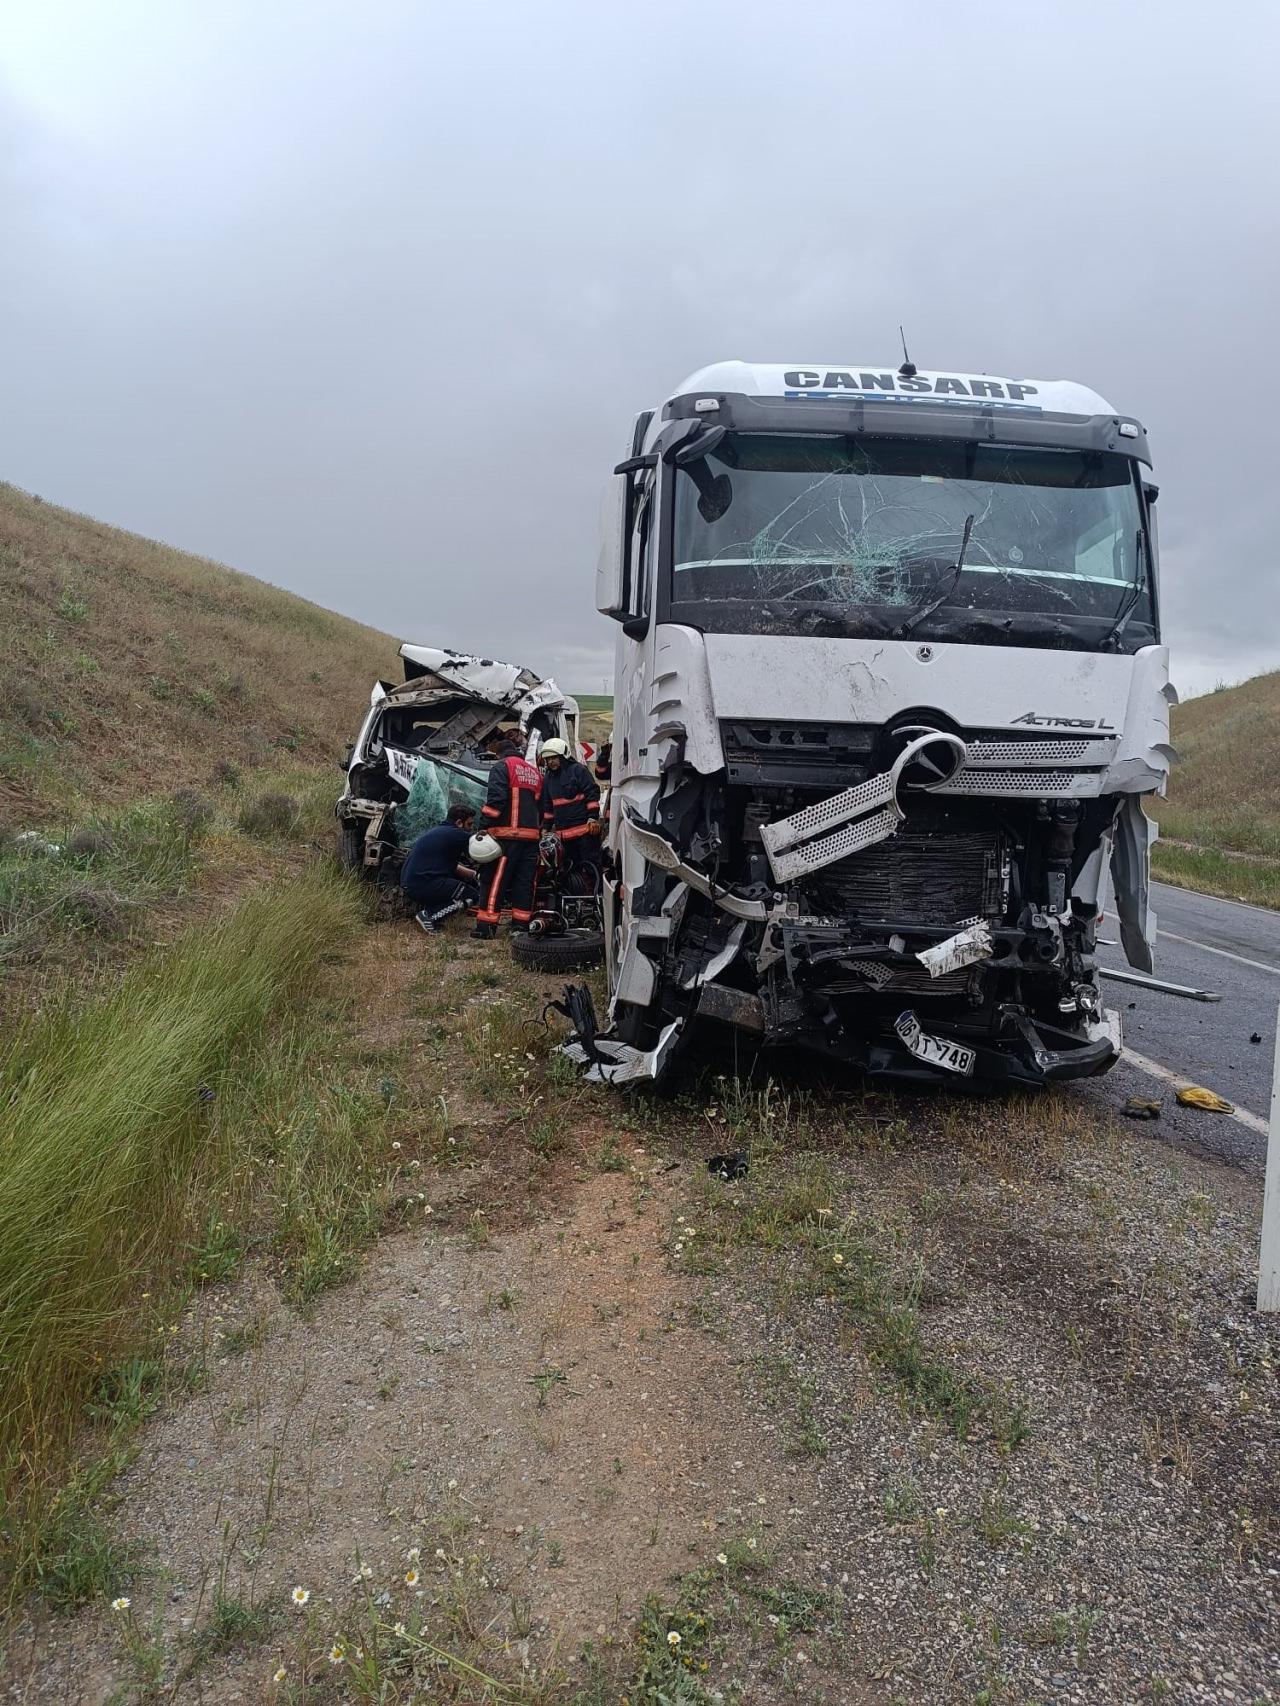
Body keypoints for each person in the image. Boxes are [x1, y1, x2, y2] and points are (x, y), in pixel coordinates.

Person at [473, 738, 543, 937]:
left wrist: (483, 826)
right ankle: (520, 927)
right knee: (525, 882)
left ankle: (486, 927)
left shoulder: (501, 767)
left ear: (499, 754)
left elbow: (496, 800)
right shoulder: (534, 773)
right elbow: (541, 807)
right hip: (531, 838)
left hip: (506, 836)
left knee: (495, 880)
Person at [399, 804, 479, 934]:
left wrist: (474, 874)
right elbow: (481, 844)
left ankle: (432, 910)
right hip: (423, 883)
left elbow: (450, 866)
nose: (470, 829)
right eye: (469, 825)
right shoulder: (457, 834)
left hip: (412, 883)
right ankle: (429, 916)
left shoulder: (440, 831)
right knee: (471, 895)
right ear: (459, 823)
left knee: (462, 886)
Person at [539, 738, 601, 871]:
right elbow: (548, 806)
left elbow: (592, 793)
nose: (550, 761)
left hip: (585, 833)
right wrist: (546, 827)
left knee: (590, 868)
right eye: (548, 759)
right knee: (569, 872)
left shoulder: (578, 770)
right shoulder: (548, 779)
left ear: (563, 756)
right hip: (564, 837)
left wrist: (593, 817)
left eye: (554, 757)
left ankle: (595, 891)